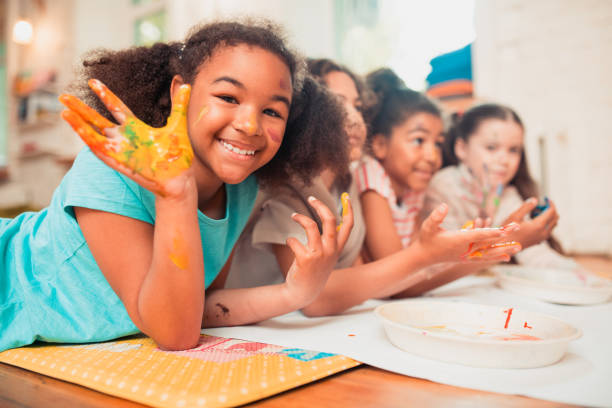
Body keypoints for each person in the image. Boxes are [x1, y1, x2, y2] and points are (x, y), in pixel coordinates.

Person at [0, 20, 355, 353]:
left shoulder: (242, 189)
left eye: (273, 112)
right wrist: (176, 194)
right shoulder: (111, 168)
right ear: (178, 93)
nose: (250, 125)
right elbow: (176, 334)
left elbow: (196, 308)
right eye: (229, 98)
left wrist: (295, 292)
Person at [226, 61, 522, 316]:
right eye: (337, 102)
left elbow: (362, 278)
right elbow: (315, 297)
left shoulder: (347, 186)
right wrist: (427, 255)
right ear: (302, 115)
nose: (354, 116)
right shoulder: (284, 191)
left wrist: (455, 256)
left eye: (357, 105)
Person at [420, 103, 584, 288]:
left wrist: (576, 274)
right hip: (442, 287)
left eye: (513, 150)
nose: (504, 160)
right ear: (462, 149)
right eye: (491, 147)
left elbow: (534, 253)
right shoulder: (444, 186)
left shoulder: (507, 194)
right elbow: (441, 261)